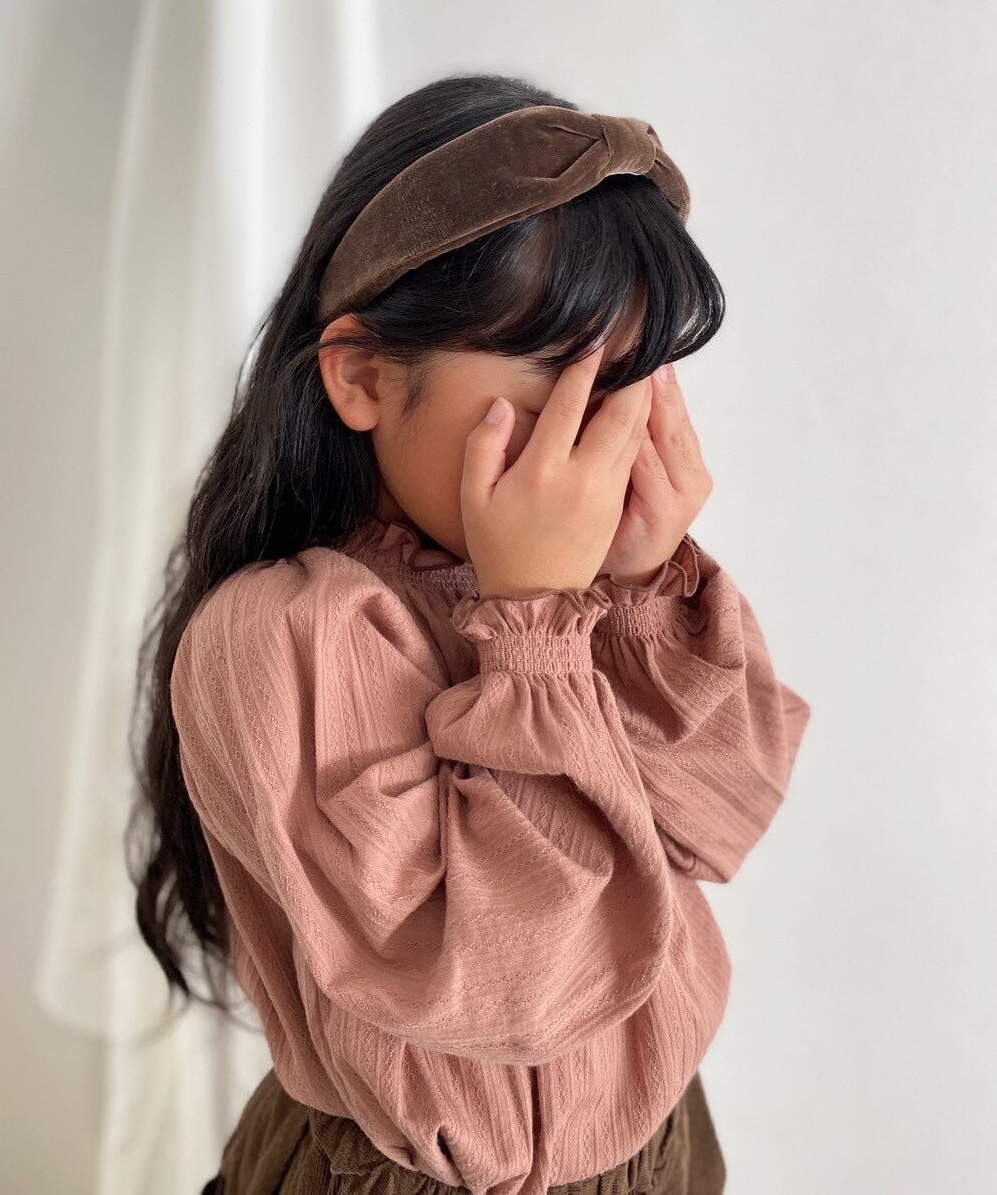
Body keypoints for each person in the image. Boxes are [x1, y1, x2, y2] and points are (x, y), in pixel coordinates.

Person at [130, 72, 811, 1195]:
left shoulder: (586, 591)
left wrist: (644, 586)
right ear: (361, 375)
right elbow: (511, 981)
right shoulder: (284, 635)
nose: (603, 428)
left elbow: (723, 812)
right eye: (558, 371)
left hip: (664, 1147)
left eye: (629, 374)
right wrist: (533, 627)